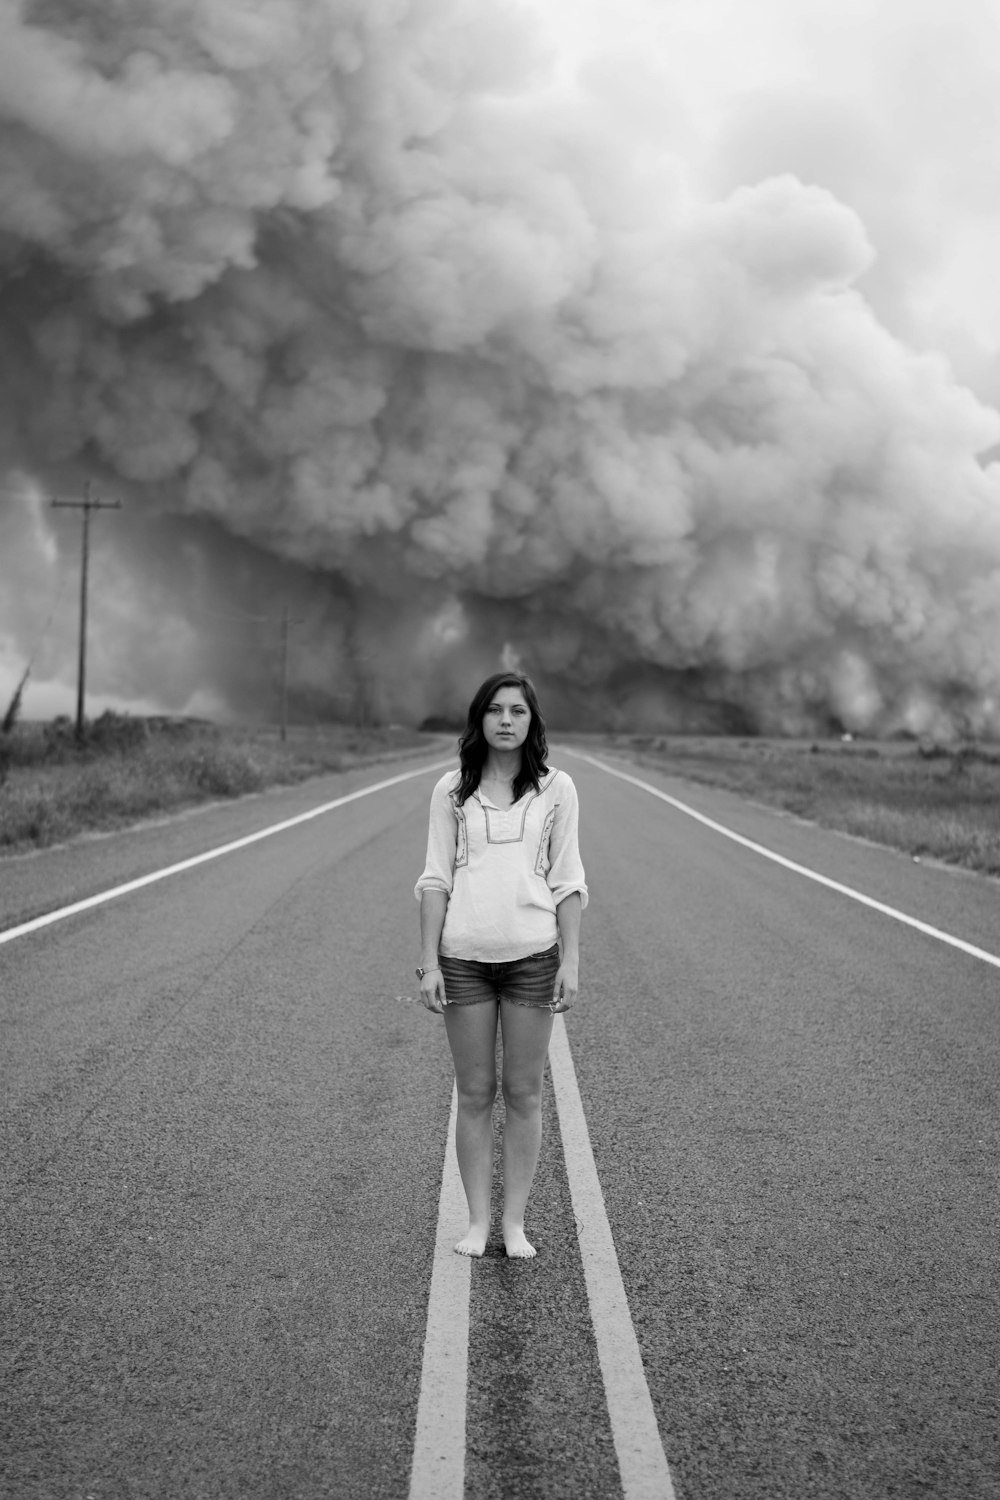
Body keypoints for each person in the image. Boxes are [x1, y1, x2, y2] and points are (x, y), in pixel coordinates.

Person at [414, 671, 587, 1259]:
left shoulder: (558, 788)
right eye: (495, 711)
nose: (506, 721)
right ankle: (478, 1222)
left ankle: (514, 1224)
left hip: (533, 957)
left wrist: (572, 958)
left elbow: (568, 880)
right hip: (463, 958)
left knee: (524, 1094)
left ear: (532, 719)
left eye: (517, 711)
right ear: (479, 719)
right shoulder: (451, 791)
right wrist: (427, 962)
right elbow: (435, 877)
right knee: (474, 1093)